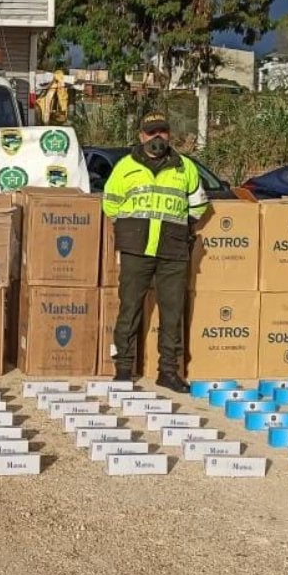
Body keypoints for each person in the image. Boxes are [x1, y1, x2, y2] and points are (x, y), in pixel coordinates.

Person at [101, 112, 209, 393]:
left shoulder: (185, 168)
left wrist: (181, 227)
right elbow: (110, 205)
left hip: (173, 249)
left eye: (162, 132)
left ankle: (168, 372)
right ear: (141, 136)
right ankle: (123, 369)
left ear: (170, 135)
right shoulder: (125, 167)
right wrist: (131, 227)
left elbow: (198, 206)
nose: (157, 137)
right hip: (137, 248)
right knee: (130, 309)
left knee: (172, 314)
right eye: (151, 132)